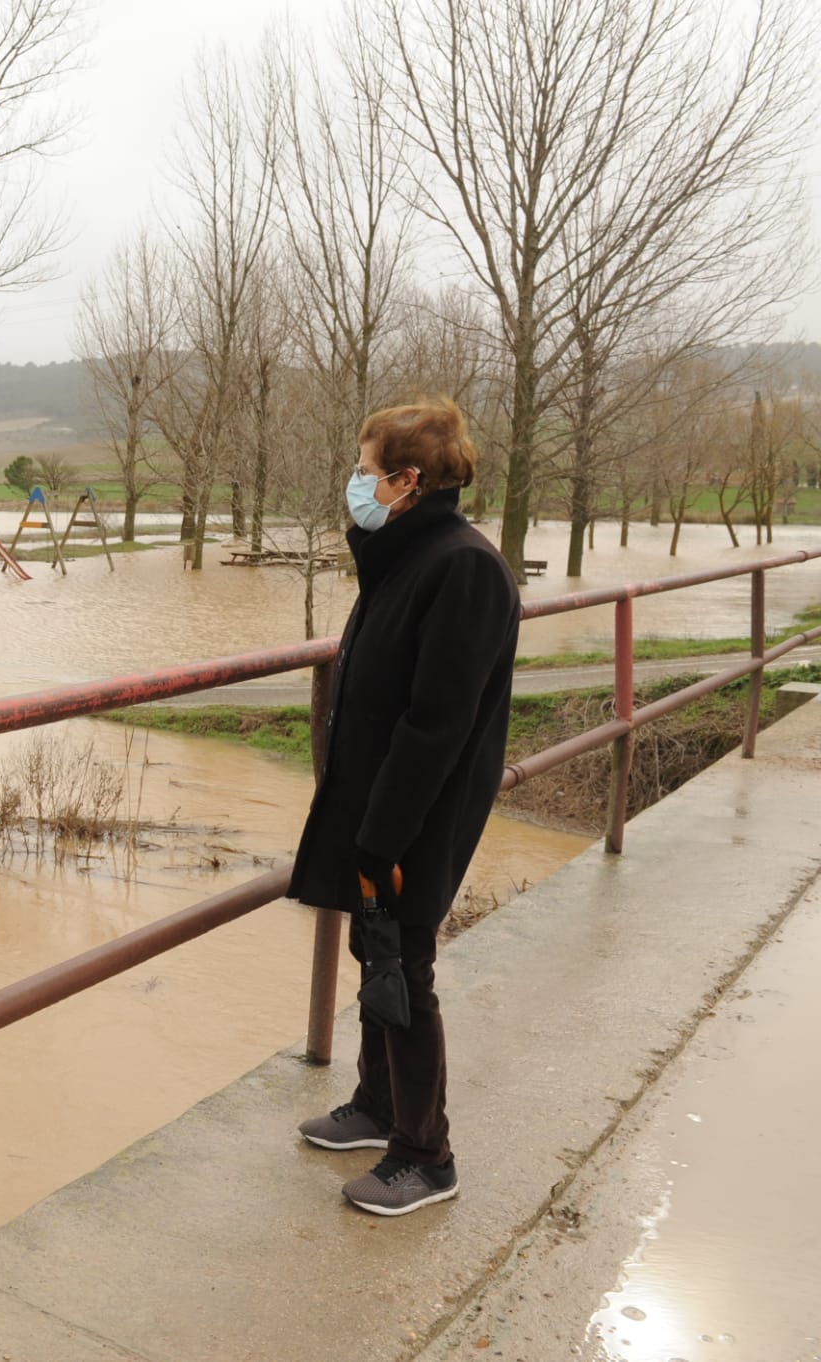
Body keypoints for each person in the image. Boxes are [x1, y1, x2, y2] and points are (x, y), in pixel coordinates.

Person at [289, 398, 521, 1216]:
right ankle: (378, 1104)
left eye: (363, 471)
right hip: (382, 806)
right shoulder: (406, 557)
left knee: (404, 966)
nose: (354, 485)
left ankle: (427, 1155)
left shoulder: (462, 568)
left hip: (420, 812)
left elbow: (436, 725)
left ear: (406, 480)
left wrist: (382, 836)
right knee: (376, 950)